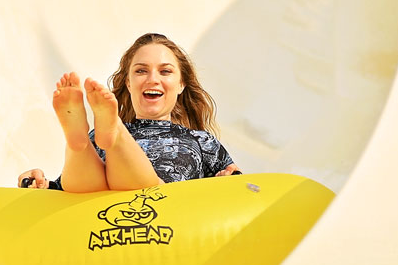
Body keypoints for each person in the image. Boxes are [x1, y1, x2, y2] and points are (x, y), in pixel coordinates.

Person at [18, 33, 240, 192]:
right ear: (129, 83)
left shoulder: (200, 140)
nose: (152, 79)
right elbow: (65, 188)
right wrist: (42, 185)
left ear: (181, 84)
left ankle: (108, 136)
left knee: (141, 181)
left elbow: (238, 185)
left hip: (162, 201)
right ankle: (78, 143)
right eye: (141, 71)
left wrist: (228, 178)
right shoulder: (100, 137)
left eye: (165, 71)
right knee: (87, 175)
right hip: (96, 200)